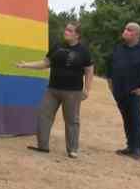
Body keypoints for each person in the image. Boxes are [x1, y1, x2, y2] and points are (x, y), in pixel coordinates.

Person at [17, 22, 94, 159]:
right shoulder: (57, 46)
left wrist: (87, 89)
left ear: (77, 35)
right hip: (52, 89)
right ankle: (43, 146)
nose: (66, 32)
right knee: (43, 115)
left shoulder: (84, 51)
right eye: (66, 29)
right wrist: (26, 65)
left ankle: (72, 150)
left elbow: (89, 71)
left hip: (73, 92)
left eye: (70, 31)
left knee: (71, 120)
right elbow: (45, 63)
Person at [106, 22, 140, 160]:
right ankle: (130, 146)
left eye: (129, 30)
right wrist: (111, 86)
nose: (125, 31)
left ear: (136, 34)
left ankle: (138, 150)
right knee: (126, 119)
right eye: (125, 29)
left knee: (136, 119)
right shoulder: (118, 48)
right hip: (119, 91)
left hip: (136, 92)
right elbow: (110, 68)